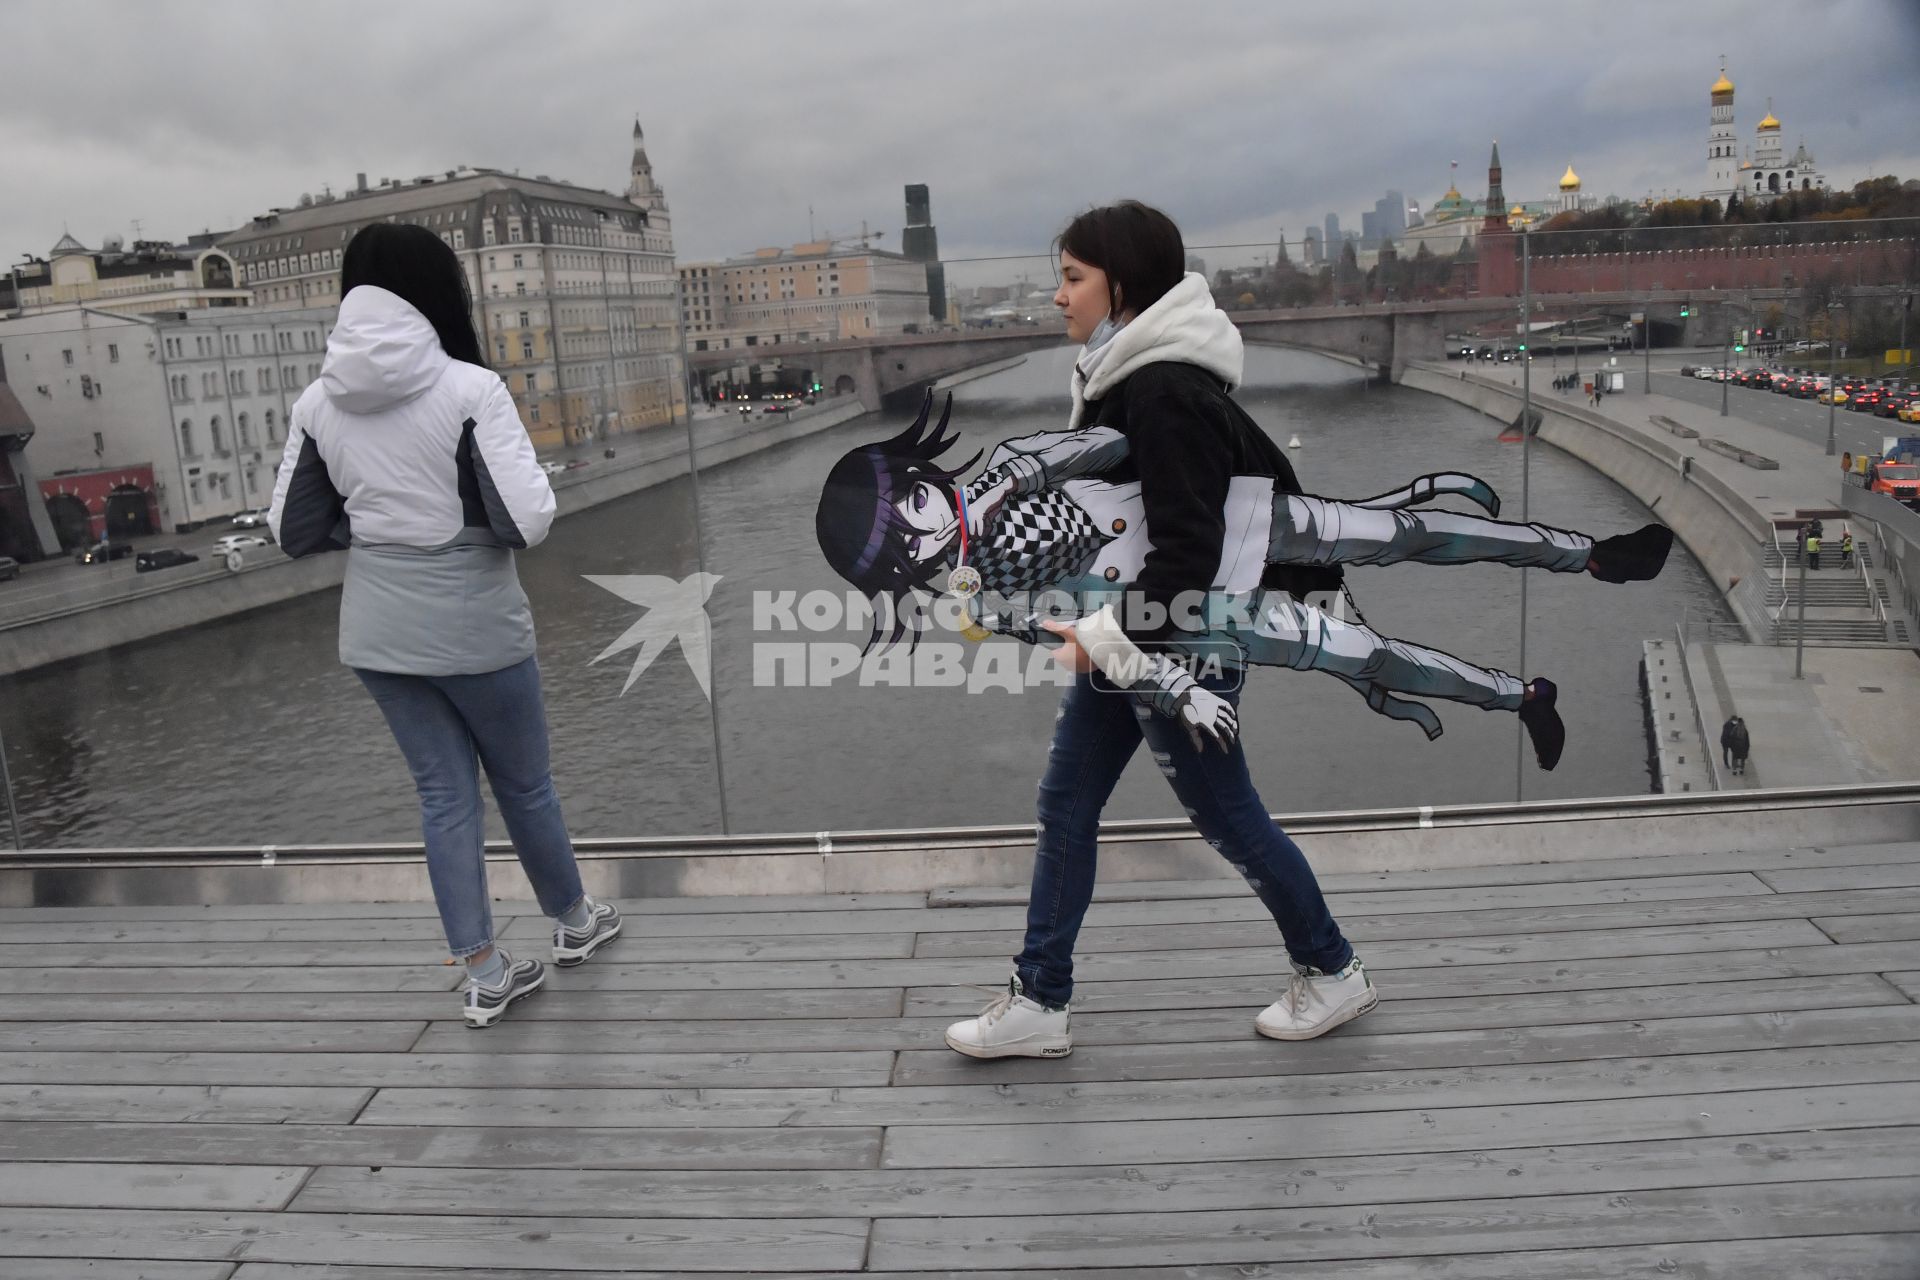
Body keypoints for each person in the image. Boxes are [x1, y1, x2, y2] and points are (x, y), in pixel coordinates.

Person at [816, 202, 1673, 1059]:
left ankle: (1331, 969)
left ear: (1124, 282)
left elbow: (1189, 549)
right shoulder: (1122, 380)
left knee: (1228, 809)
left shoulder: (1160, 389)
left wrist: (1112, 641)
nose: (1056, 295)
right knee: (1067, 807)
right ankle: (1042, 997)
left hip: (1186, 631)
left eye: (1072, 277)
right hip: (1137, 638)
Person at [267, 223, 621, 1029]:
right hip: (473, 618)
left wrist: (373, 527)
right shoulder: (469, 388)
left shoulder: (317, 402)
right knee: (525, 783)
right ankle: (573, 923)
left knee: (443, 798)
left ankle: (486, 972)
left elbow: (290, 529)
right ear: (439, 289)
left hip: (377, 626)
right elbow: (526, 519)